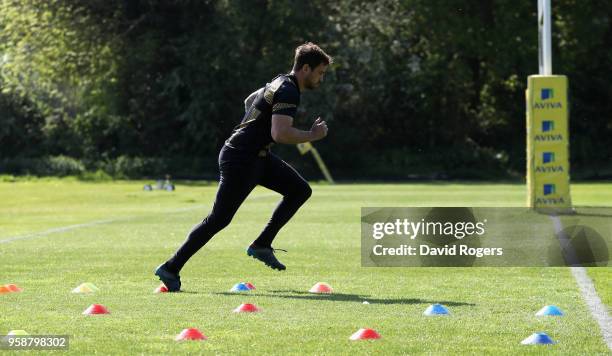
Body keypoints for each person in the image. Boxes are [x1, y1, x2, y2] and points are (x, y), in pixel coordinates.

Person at [155, 42, 332, 291]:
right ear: (305, 68)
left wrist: (253, 127)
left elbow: (251, 99)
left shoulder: (279, 81)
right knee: (218, 219)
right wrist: (312, 135)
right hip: (241, 158)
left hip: (256, 156)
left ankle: (262, 244)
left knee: (300, 190)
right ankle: (171, 267)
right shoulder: (289, 90)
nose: (321, 78)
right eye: (320, 73)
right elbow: (280, 133)